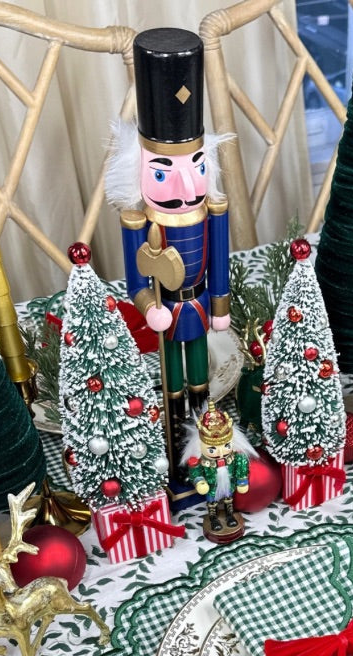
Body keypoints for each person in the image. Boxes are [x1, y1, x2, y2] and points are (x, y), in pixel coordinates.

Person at [106, 27, 230, 429]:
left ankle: (202, 421)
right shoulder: (138, 221)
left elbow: (219, 261)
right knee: (172, 378)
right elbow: (135, 281)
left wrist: (220, 305)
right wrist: (148, 306)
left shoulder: (212, 210)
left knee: (200, 375)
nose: (186, 187)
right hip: (167, 308)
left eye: (197, 167)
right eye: (162, 174)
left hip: (198, 303)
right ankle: (176, 426)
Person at [186, 401, 250, 543]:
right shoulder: (200, 460)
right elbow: (195, 472)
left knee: (228, 498)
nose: (221, 453)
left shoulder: (235, 456)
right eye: (212, 449)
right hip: (212, 485)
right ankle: (213, 518)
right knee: (212, 501)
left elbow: (241, 465)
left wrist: (242, 480)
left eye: (226, 446)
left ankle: (229, 515)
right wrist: (199, 482)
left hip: (229, 483)